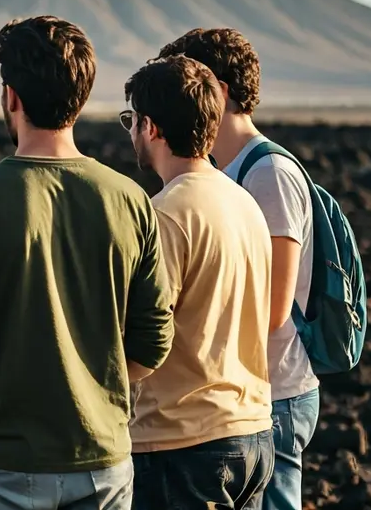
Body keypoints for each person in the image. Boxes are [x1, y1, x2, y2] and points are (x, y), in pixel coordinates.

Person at [0, 15, 176, 510]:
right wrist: (92, 389)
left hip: (0, 460)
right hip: (102, 459)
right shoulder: (129, 199)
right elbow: (154, 338)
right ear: (80, 98)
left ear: (11, 97)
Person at [158, 28, 320, 510]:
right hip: (241, 396)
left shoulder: (268, 173)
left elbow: (272, 308)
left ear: (220, 91)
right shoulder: (225, 171)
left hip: (274, 395)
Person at [121, 55, 276, 508]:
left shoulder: (166, 213)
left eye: (131, 119)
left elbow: (148, 333)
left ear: (150, 127)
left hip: (182, 441)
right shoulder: (243, 202)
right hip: (252, 428)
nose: (130, 131)